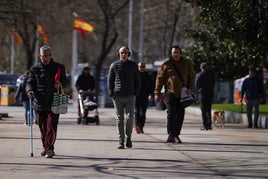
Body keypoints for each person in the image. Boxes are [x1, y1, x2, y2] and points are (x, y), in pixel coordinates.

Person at [26, 46, 67, 158]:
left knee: (52, 125)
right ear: (40, 56)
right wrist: (29, 90)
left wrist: (60, 84)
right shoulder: (35, 69)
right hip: (39, 102)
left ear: (51, 56)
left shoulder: (59, 67)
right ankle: (48, 148)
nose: (45, 58)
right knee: (43, 127)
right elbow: (30, 82)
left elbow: (65, 80)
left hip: (54, 101)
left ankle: (48, 148)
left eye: (47, 56)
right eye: (43, 56)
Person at [154, 45, 195, 143]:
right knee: (171, 113)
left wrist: (190, 88)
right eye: (174, 53)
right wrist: (157, 92)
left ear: (180, 53)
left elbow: (192, 77)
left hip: (183, 93)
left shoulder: (187, 63)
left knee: (180, 114)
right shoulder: (166, 64)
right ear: (171, 54)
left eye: (177, 52)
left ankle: (176, 134)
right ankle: (171, 135)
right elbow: (159, 79)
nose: (175, 54)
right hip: (170, 92)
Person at [107, 46, 141, 149]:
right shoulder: (114, 66)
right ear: (119, 54)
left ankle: (128, 137)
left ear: (128, 54)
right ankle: (121, 141)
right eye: (122, 53)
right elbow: (110, 80)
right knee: (119, 119)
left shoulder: (133, 66)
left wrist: (136, 93)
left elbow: (138, 80)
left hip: (130, 95)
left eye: (125, 53)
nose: (123, 54)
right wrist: (111, 93)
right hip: (117, 96)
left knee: (130, 117)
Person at [135, 62, 154, 134]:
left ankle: (140, 127)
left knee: (142, 114)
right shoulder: (135, 75)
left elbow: (151, 87)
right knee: (136, 112)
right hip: (136, 97)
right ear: (138, 67)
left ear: (144, 67)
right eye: (140, 66)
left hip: (145, 97)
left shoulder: (148, 76)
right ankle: (137, 126)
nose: (141, 68)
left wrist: (150, 95)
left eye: (143, 66)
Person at [195, 62, 215, 130]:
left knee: (203, 110)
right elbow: (213, 84)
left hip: (202, 94)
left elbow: (197, 86)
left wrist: (196, 95)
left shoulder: (199, 75)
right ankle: (209, 125)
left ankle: (205, 125)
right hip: (210, 94)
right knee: (208, 110)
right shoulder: (211, 75)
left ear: (201, 68)